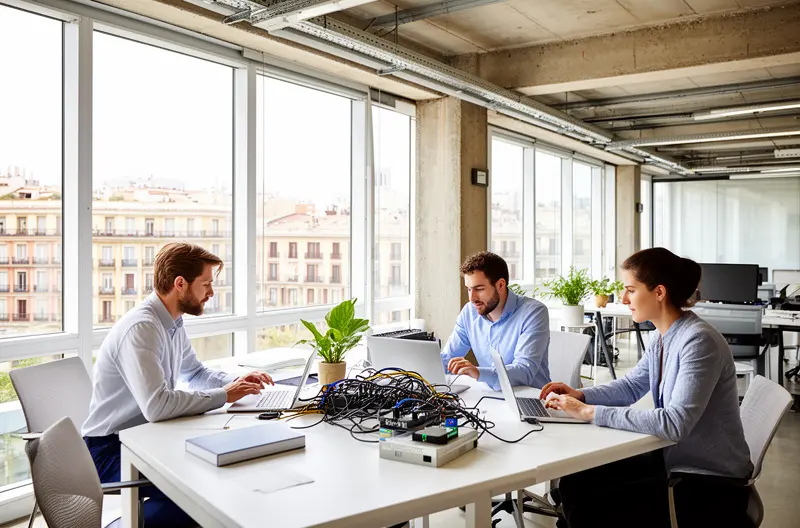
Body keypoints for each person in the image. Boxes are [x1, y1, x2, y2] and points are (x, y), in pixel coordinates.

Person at [540, 247, 753, 528]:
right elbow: (631, 387)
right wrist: (580, 395)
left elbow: (674, 423)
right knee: (576, 479)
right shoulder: (662, 336)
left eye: (630, 289)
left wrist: (590, 412)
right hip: (674, 459)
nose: (624, 298)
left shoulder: (699, 342)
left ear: (659, 293)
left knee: (587, 497)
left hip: (705, 483)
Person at [82, 242, 274, 527]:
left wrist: (236, 383)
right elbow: (157, 406)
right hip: (110, 450)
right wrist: (224, 394)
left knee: (217, 470)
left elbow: (194, 372)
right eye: (206, 283)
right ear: (180, 284)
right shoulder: (143, 328)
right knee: (198, 488)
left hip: (147, 437)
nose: (211, 292)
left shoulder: (172, 321)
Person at [441, 251, 551, 391]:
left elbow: (524, 371)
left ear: (500, 285)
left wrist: (479, 372)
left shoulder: (533, 312)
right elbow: (449, 358)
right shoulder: (469, 312)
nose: (472, 298)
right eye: (469, 289)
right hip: (491, 395)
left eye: (479, 289)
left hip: (529, 397)